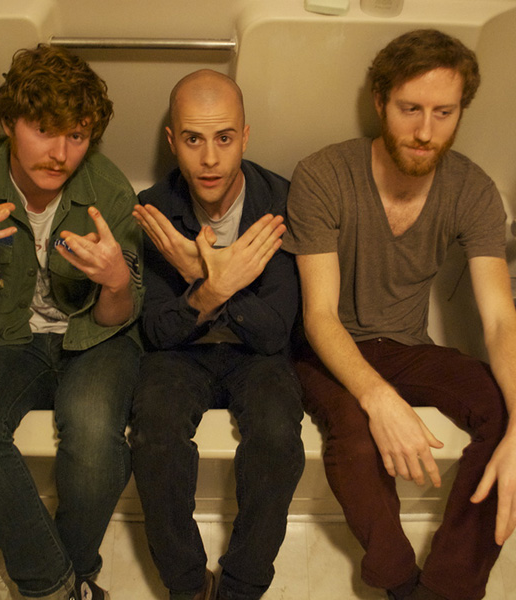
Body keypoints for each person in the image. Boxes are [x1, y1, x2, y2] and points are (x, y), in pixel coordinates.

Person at [283, 29, 516, 600]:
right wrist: (379, 398)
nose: (426, 131)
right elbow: (319, 317)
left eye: (444, 112)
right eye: (411, 109)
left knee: (502, 405)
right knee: (357, 438)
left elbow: (500, 322)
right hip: (328, 350)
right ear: (380, 102)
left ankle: (448, 590)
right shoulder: (324, 174)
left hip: (408, 345)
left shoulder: (473, 188)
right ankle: (399, 584)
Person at [0, 44, 143, 600]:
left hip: (94, 339)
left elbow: (117, 317)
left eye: (77, 136)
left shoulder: (109, 189)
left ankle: (70, 572)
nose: (60, 154)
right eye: (43, 130)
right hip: (4, 338)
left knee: (94, 429)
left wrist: (116, 282)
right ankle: (60, 587)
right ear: (8, 123)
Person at [130, 69, 305, 600]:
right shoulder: (155, 209)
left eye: (224, 138)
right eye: (193, 139)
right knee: (154, 434)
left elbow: (274, 334)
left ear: (245, 137)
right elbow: (157, 332)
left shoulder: (281, 202)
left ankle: (241, 587)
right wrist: (211, 289)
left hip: (256, 355)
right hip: (182, 353)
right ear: (172, 141)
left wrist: (203, 276)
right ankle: (188, 586)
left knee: (277, 435)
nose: (210, 158)